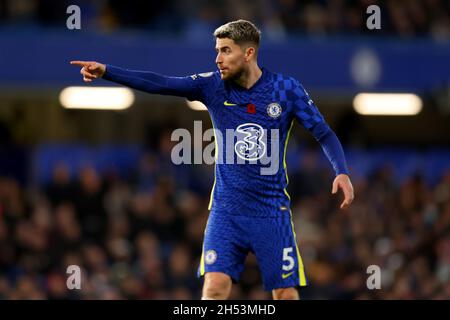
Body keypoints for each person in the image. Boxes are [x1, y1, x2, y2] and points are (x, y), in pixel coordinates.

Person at [70, 19, 354, 300]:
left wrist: (340, 171)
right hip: (225, 212)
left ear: (249, 53)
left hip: (270, 212)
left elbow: (324, 133)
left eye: (226, 50)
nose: (218, 58)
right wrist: (108, 72)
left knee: (285, 294)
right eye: (217, 50)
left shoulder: (286, 89)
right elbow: (161, 83)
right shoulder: (212, 86)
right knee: (215, 287)